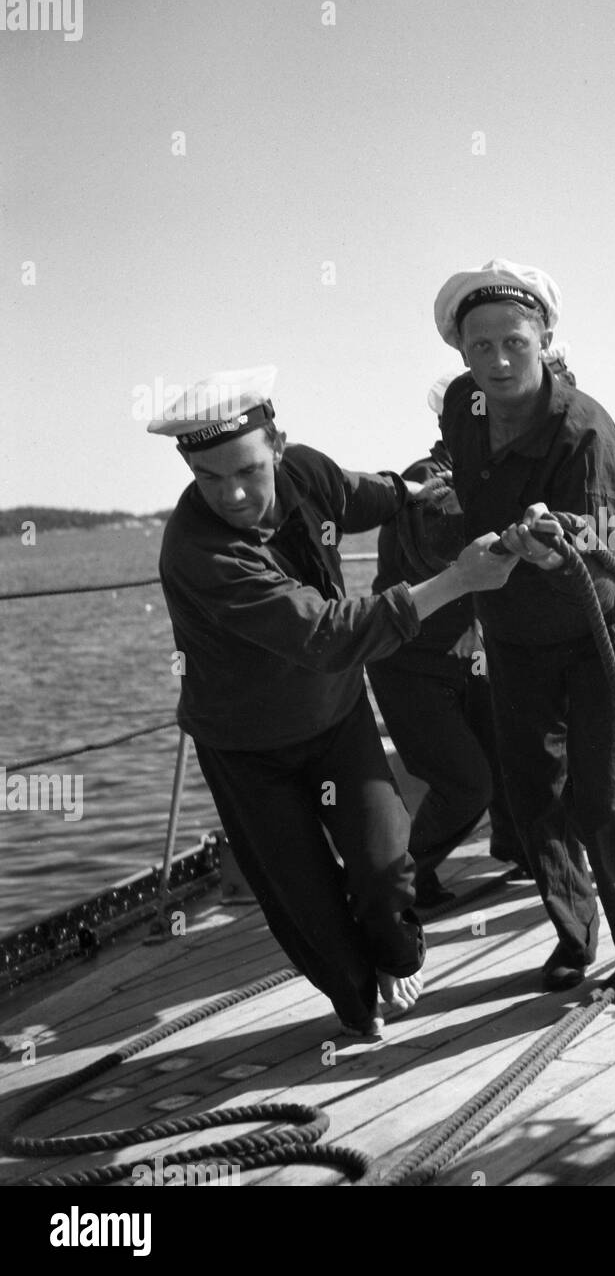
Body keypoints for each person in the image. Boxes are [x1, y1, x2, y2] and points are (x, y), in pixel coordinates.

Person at [151, 367, 517, 1037]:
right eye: (208, 476)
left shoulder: (308, 473)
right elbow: (327, 634)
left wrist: (413, 488)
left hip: (334, 720)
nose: (232, 493)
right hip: (245, 750)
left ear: (280, 445)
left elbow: (360, 494)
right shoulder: (200, 554)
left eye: (247, 470)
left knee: (384, 870)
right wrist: (459, 579)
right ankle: (355, 1002)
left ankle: (398, 954)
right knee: (310, 912)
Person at [434, 258, 615, 1003]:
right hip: (515, 631)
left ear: (545, 341)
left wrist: (554, 536)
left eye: (514, 342)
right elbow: (468, 498)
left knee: (607, 797)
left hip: (608, 627)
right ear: (460, 353)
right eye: (481, 347)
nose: (499, 361)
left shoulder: (582, 426)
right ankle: (575, 934)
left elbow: (604, 541)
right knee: (534, 793)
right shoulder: (461, 411)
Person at [366, 371, 527, 907]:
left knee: (508, 756)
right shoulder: (428, 480)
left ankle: (515, 845)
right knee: (465, 783)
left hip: (465, 658)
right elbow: (448, 555)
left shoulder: (485, 473)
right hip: (408, 660)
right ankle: (402, 885)